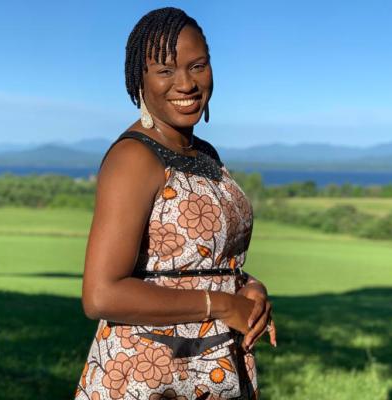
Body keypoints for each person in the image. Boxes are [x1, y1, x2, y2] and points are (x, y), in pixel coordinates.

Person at [75, 7, 276, 400]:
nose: (185, 83)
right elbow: (101, 294)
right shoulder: (134, 158)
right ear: (140, 80)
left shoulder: (204, 154)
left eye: (197, 66)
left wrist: (249, 287)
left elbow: (197, 261)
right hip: (152, 376)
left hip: (215, 366)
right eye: (165, 71)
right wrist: (220, 305)